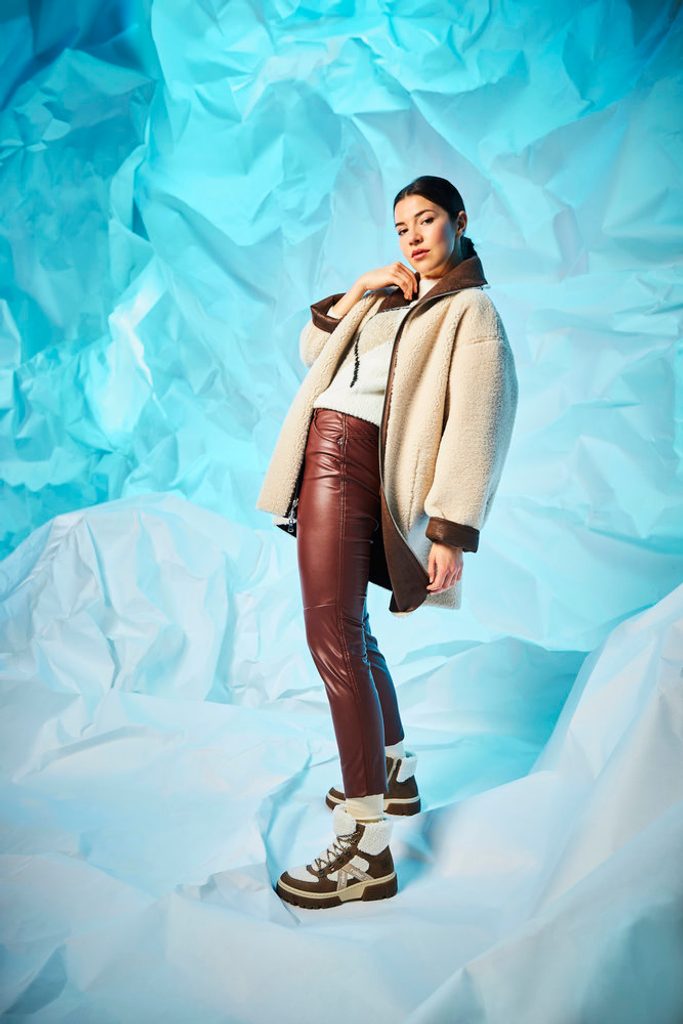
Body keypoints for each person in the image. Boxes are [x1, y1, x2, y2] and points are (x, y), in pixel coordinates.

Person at [256, 175, 519, 909]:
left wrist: (450, 531)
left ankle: (365, 848)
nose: (412, 236)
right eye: (401, 226)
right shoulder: (392, 295)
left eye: (426, 220)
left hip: (351, 461)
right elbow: (314, 351)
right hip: (327, 452)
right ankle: (394, 772)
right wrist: (360, 289)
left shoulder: (469, 309)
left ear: (458, 221)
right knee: (350, 631)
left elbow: (479, 421)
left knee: (332, 636)